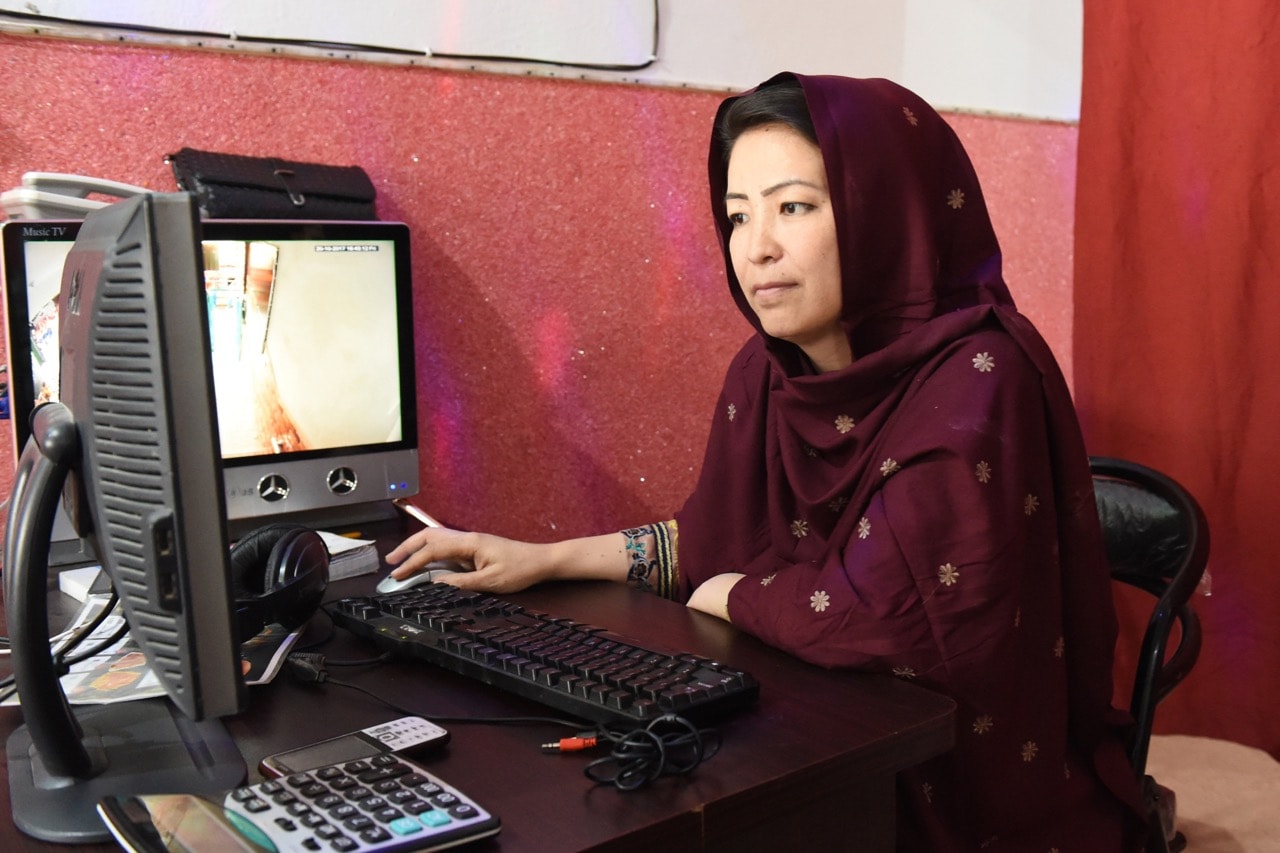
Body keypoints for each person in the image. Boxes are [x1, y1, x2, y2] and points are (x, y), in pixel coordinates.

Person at [387, 72, 1149, 850]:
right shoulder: (767, 370)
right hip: (811, 733)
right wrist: (541, 560)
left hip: (948, 779)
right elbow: (715, 536)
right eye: (737, 216)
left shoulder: (982, 373)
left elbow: (893, 620)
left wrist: (733, 597)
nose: (758, 247)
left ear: (884, 210)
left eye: (794, 207)